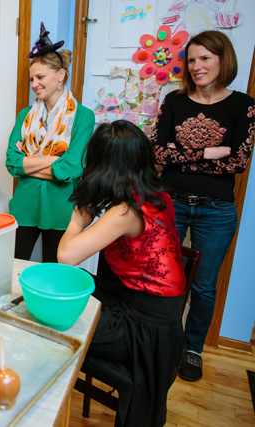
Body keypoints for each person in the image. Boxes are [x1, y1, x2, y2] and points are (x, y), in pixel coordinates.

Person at [58, 120, 186, 427]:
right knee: (67, 294)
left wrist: (78, 218)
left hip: (144, 329)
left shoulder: (125, 212)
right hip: (153, 314)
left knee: (54, 320)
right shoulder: (157, 195)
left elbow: (66, 256)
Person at [151, 30, 255, 382]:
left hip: (216, 210)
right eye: (192, 60)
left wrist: (181, 156)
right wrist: (208, 153)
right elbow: (157, 153)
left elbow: (238, 162)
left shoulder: (244, 106)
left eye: (205, 58)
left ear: (223, 60)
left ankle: (192, 349)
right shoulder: (174, 101)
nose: (197, 66)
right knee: (165, 276)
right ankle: (163, 341)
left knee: (205, 286)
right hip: (172, 204)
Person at [6, 22, 95, 262]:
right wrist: (53, 160)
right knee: (13, 267)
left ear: (61, 75)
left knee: (53, 273)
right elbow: (12, 163)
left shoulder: (84, 117)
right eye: (32, 78)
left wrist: (28, 164)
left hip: (61, 210)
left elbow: (71, 168)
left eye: (40, 77)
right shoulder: (25, 115)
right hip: (24, 207)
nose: (34, 84)